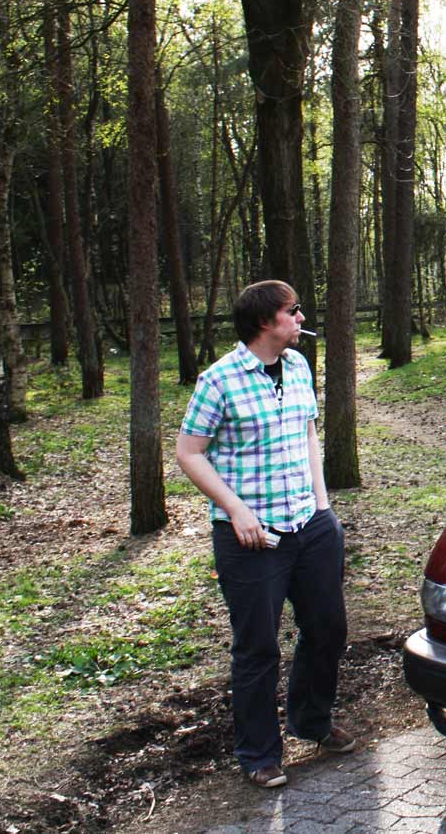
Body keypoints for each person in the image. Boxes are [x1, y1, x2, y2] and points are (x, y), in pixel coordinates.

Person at [176, 280, 353, 789]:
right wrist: (235, 510)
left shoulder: (297, 367)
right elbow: (189, 452)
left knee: (327, 628)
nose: (301, 318)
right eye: (293, 311)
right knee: (257, 647)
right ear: (263, 322)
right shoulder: (219, 380)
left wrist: (323, 507)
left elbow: (308, 432)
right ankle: (259, 754)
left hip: (310, 526)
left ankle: (312, 721)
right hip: (251, 540)